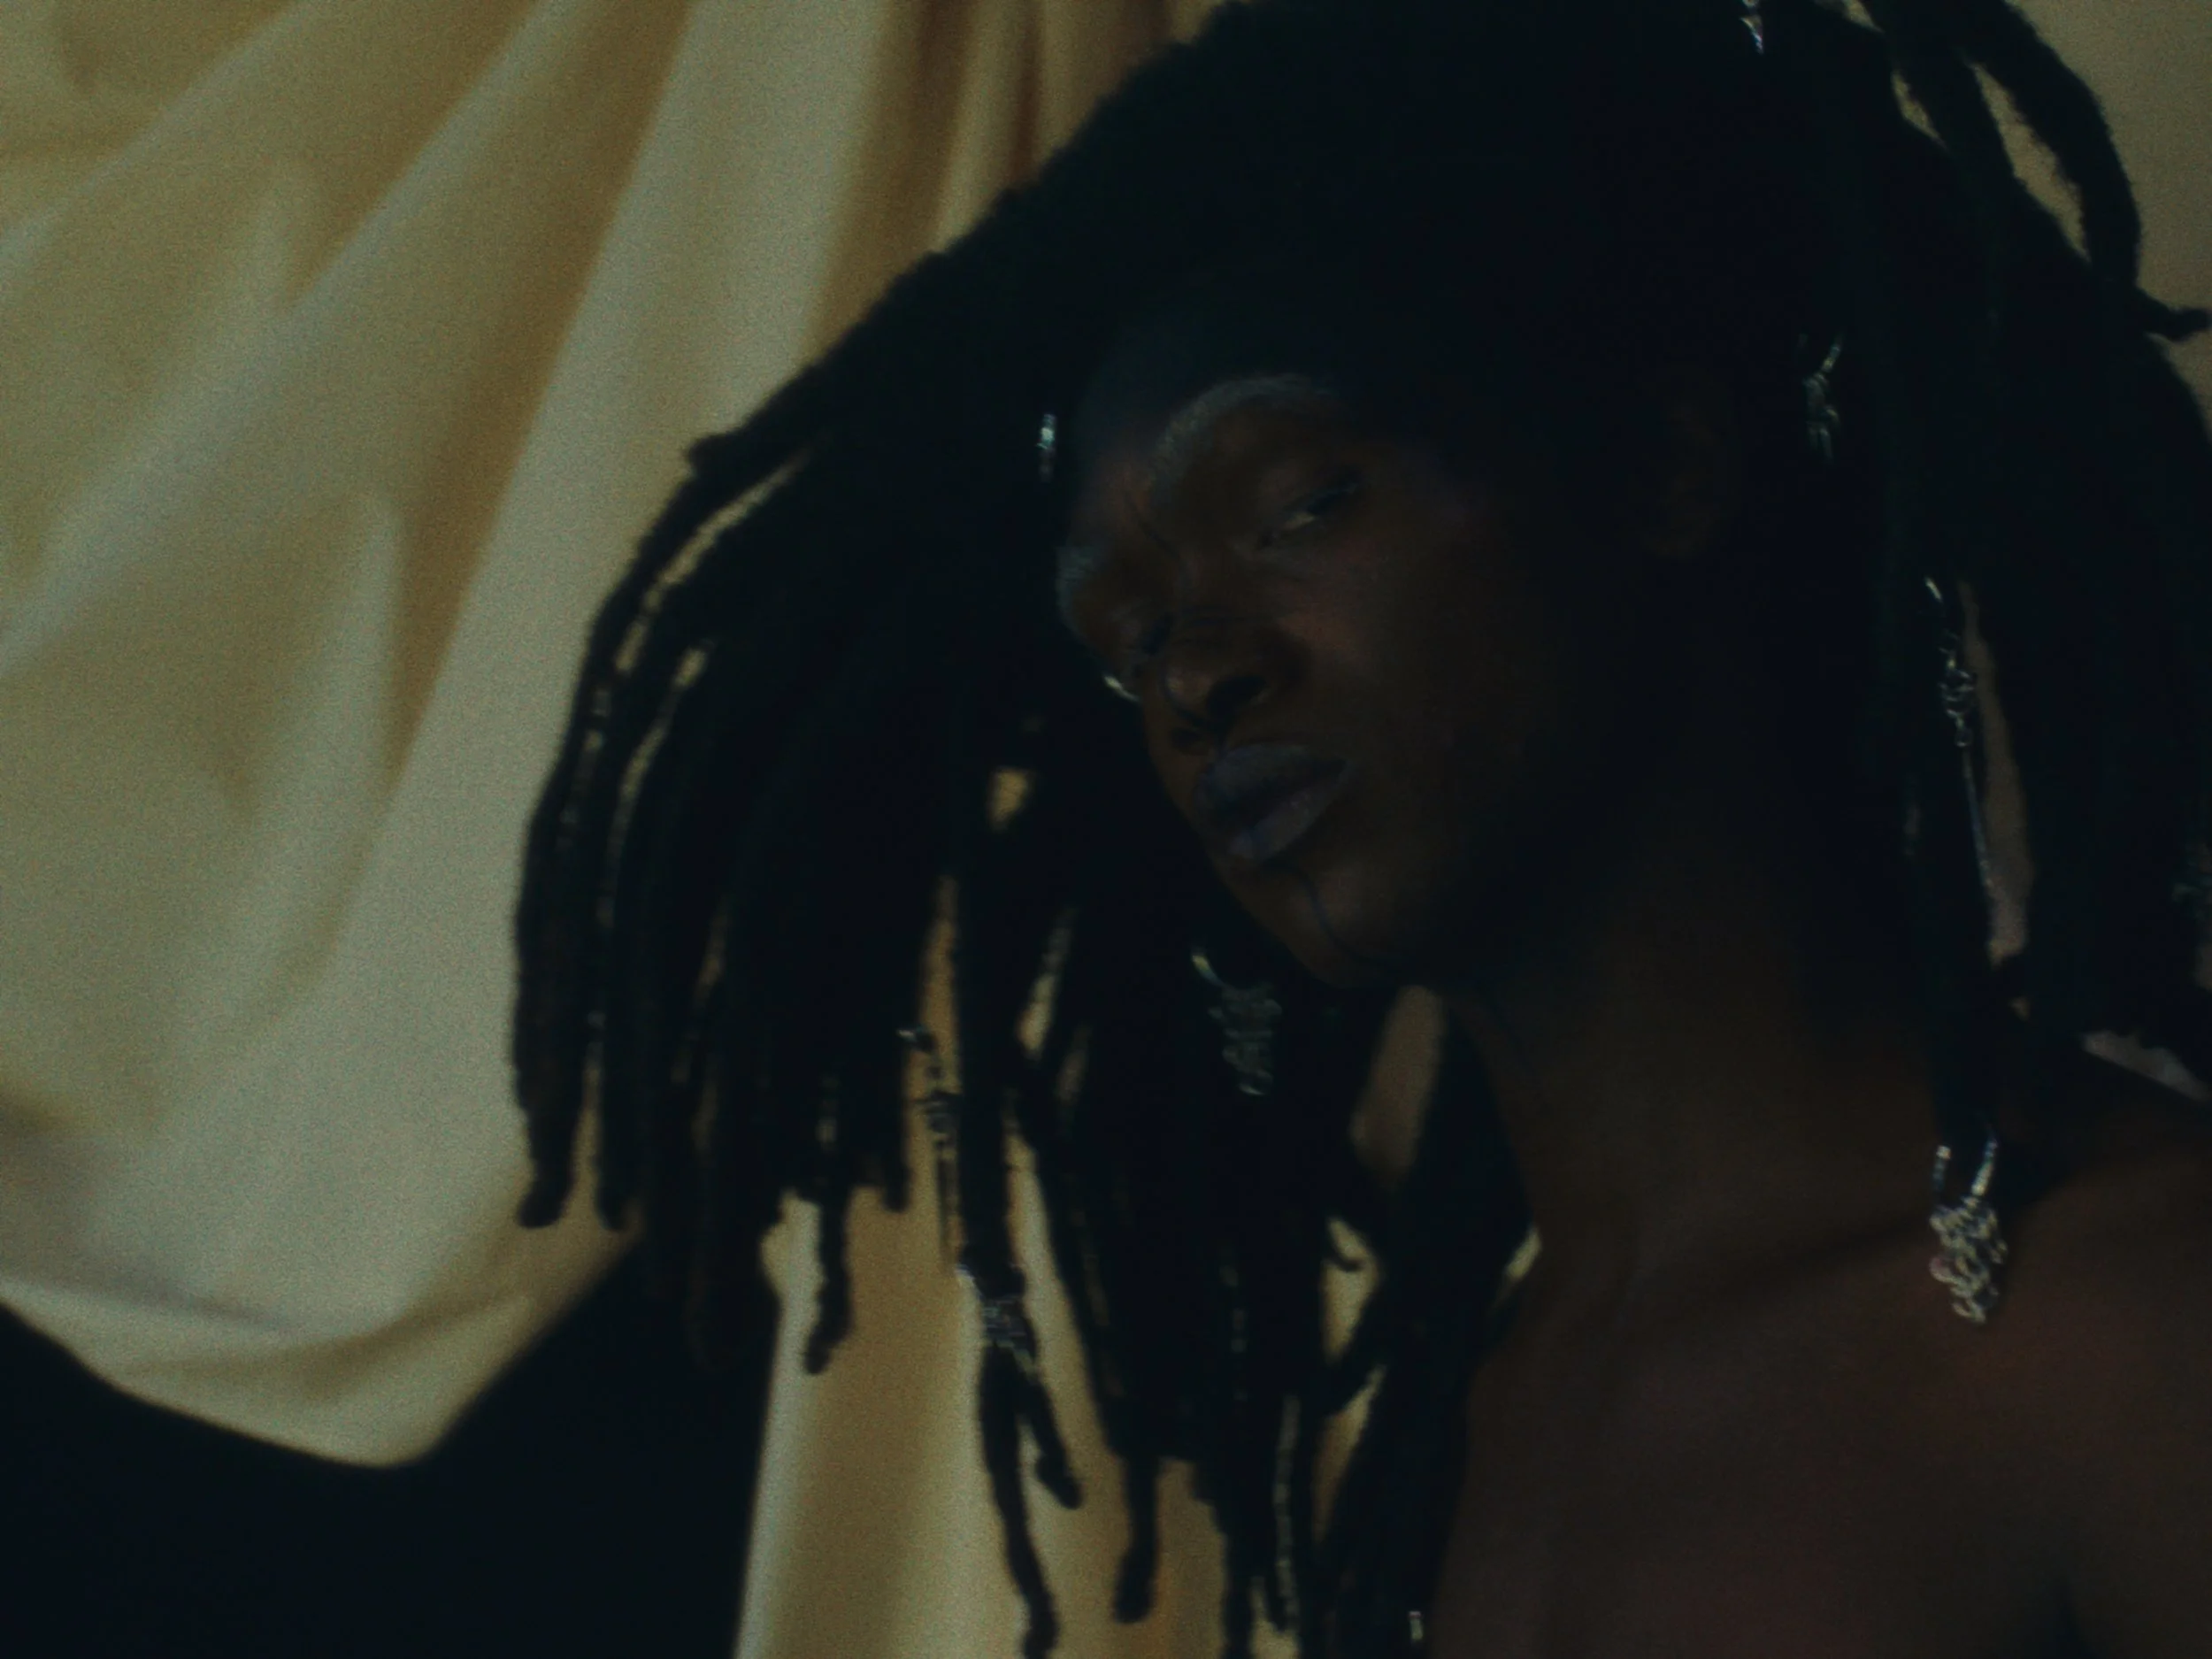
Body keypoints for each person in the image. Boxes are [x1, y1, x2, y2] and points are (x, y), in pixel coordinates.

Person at [510, 0, 2212, 1653]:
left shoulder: (2130, 1312)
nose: (1200, 671)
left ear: (1660, 464)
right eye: (1129, 640)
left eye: (1303, 504)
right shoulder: (1467, 1424)